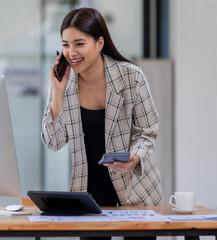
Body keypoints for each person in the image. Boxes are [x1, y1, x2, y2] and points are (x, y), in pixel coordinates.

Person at [41, 8, 163, 240]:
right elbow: (53, 142)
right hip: (90, 188)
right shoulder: (63, 82)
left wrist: (134, 158)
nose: (71, 52)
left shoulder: (131, 77)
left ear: (99, 43)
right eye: (65, 45)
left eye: (79, 44)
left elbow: (148, 132)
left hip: (134, 184)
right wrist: (57, 93)